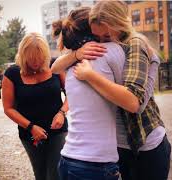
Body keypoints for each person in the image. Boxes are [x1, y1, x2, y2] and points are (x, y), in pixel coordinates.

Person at [51, 1, 171, 180]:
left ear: (119, 24)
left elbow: (134, 103)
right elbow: (54, 68)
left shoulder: (134, 44)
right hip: (121, 146)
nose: (100, 42)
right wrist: (76, 54)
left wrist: (90, 76)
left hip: (145, 143)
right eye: (96, 36)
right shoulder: (107, 48)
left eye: (105, 36)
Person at [52, 7, 125, 180]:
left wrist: (76, 54)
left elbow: (54, 68)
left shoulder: (70, 63)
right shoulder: (111, 51)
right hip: (95, 164)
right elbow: (133, 96)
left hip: (67, 159)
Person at [2, 32, 68, 180]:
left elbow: (71, 94)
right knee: (40, 174)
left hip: (57, 130)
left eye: (40, 58)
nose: (37, 63)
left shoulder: (55, 66)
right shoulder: (12, 73)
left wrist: (62, 113)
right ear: (23, 56)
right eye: (32, 59)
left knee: (56, 174)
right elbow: (8, 108)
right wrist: (31, 127)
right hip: (29, 134)